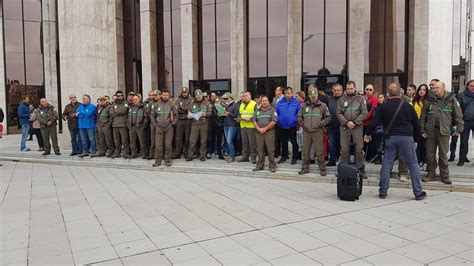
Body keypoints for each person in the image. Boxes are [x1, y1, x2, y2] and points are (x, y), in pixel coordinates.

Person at [364, 82, 426, 200]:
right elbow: (417, 126)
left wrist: (367, 134)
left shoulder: (384, 107)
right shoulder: (408, 106)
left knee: (387, 164)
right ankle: (418, 192)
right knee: (412, 164)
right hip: (407, 138)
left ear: (388, 93)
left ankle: (383, 191)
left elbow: (374, 122)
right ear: (400, 92)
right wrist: (416, 140)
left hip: (390, 138)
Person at [420, 81, 464, 184]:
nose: (434, 89)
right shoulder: (428, 100)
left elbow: (458, 115)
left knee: (443, 155)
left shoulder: (451, 99)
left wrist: (459, 129)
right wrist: (422, 130)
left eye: (437, 88)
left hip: (444, 131)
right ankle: (431, 174)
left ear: (443, 88)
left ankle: (444, 175)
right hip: (430, 131)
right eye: (433, 88)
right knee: (430, 154)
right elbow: (423, 117)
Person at [298, 86, 331, 176]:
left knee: (320, 151)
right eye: (311, 96)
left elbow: (328, 117)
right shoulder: (304, 106)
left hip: (317, 131)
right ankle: (305, 168)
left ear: (317, 96)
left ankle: (322, 168)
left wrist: (321, 123)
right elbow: (299, 116)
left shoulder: (323, 106)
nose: (313, 98)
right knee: (305, 151)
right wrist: (303, 124)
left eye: (315, 96)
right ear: (309, 96)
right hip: (307, 131)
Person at [337, 81, 368, 168]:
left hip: (357, 127)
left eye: (351, 88)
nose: (349, 90)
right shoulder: (341, 99)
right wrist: (346, 122)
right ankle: (343, 168)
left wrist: (354, 122)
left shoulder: (360, 99)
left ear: (355, 88)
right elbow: (338, 113)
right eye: (348, 89)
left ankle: (360, 169)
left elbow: (364, 113)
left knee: (359, 149)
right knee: (344, 149)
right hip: (345, 127)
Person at [276, 87, 301, 165]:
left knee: (294, 142)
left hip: (292, 125)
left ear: (292, 93)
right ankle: (284, 157)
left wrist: (295, 120)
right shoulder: (280, 102)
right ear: (284, 94)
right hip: (282, 125)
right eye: (286, 93)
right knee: (283, 142)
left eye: (289, 93)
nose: (287, 95)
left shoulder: (296, 102)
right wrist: (279, 120)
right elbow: (277, 113)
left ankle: (294, 158)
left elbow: (299, 113)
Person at [252, 96, 278, 172]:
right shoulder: (257, 111)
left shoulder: (272, 110)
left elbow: (274, 121)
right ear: (260, 102)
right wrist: (259, 129)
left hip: (269, 132)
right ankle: (260, 165)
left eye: (266, 100)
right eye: (263, 101)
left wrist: (265, 129)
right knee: (260, 150)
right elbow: (254, 121)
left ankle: (272, 166)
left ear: (268, 101)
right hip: (259, 133)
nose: (264, 102)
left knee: (270, 150)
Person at [186, 89, 212, 161]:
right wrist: (189, 116)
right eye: (197, 97)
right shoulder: (192, 103)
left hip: (204, 124)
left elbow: (210, 112)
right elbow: (189, 113)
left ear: (202, 95)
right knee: (192, 141)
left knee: (203, 141)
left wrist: (206, 114)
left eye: (199, 96)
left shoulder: (207, 103)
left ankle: (202, 155)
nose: (198, 98)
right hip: (195, 124)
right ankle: (190, 155)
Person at [152, 89, 175, 167]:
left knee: (168, 144)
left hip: (169, 127)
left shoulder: (171, 104)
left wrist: (173, 123)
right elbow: (152, 115)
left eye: (167, 95)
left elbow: (176, 114)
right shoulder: (157, 104)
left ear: (169, 96)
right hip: (159, 127)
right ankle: (157, 161)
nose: (165, 96)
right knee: (158, 145)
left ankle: (167, 160)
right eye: (164, 95)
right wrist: (155, 124)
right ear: (161, 95)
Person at [456, 79, 474, 166]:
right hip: (465, 121)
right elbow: (457, 109)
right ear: (467, 86)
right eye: (471, 86)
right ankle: (462, 159)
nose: (473, 88)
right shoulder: (461, 95)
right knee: (464, 141)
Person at [173, 87, 193, 159]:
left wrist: (181, 108)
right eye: (183, 92)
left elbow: (190, 109)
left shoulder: (191, 99)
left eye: (186, 92)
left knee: (187, 137)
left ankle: (186, 152)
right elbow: (176, 109)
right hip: (179, 120)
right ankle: (178, 153)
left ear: (188, 92)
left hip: (188, 120)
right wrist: (185, 109)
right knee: (178, 137)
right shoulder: (178, 100)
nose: (184, 94)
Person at [110, 90, 131, 159]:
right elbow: (111, 112)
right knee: (116, 140)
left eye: (121, 95)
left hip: (123, 124)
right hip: (115, 124)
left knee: (124, 139)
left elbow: (124, 110)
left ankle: (126, 152)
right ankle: (117, 152)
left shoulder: (125, 102)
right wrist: (116, 112)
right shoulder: (114, 103)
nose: (120, 97)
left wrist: (115, 111)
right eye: (118, 96)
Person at [237, 91, 257, 163]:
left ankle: (253, 157)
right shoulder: (241, 104)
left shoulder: (254, 104)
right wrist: (239, 118)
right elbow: (240, 114)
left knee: (252, 143)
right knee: (244, 143)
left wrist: (250, 119)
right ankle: (245, 156)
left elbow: (256, 115)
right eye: (244, 96)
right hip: (243, 125)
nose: (245, 97)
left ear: (250, 96)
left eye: (247, 96)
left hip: (251, 126)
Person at [327, 83, 343, 166]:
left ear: (341, 91)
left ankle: (341, 160)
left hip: (342, 125)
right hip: (332, 125)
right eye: (335, 90)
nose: (336, 92)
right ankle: (332, 160)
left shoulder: (344, 99)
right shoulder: (329, 99)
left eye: (338, 90)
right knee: (332, 143)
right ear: (332, 91)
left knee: (341, 144)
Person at [413, 84, 428, 169]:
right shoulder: (414, 101)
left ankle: (424, 161)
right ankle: (418, 161)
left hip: (425, 123)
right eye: (420, 89)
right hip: (416, 124)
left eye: (424, 90)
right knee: (417, 144)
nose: (422, 91)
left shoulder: (428, 101)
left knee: (424, 145)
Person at [222, 93, 240, 163]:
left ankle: (232, 157)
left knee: (229, 141)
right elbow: (224, 115)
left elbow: (236, 115)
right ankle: (230, 155)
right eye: (224, 99)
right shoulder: (226, 105)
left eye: (226, 98)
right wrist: (221, 114)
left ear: (231, 98)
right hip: (226, 124)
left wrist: (228, 113)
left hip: (232, 125)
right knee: (228, 141)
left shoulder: (235, 105)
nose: (225, 100)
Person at [128, 94, 147, 159]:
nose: (135, 100)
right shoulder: (131, 107)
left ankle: (144, 153)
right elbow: (128, 117)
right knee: (132, 142)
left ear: (139, 99)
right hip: (132, 127)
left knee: (142, 141)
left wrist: (143, 126)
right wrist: (128, 124)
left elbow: (146, 117)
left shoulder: (143, 107)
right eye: (134, 99)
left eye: (136, 99)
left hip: (140, 127)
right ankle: (134, 154)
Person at [363, 84, 378, 162]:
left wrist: (363, 118)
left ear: (373, 91)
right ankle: (367, 156)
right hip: (363, 123)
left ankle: (372, 158)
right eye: (367, 89)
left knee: (371, 141)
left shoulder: (374, 98)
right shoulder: (363, 98)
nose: (368, 91)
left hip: (370, 123)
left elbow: (372, 111)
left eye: (370, 89)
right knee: (364, 141)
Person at [146, 90, 161, 160]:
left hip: (160, 124)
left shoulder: (162, 103)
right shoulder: (151, 103)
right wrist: (152, 120)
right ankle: (151, 154)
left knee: (160, 140)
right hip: (152, 124)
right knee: (152, 139)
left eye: (156, 95)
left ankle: (159, 154)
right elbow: (148, 112)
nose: (155, 96)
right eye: (154, 95)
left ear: (160, 95)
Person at [272, 86, 284, 158]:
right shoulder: (274, 99)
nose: (275, 91)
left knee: (283, 137)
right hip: (276, 120)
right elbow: (273, 108)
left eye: (276, 90)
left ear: (280, 91)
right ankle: (276, 152)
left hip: (283, 120)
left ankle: (284, 153)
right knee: (276, 137)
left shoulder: (284, 98)